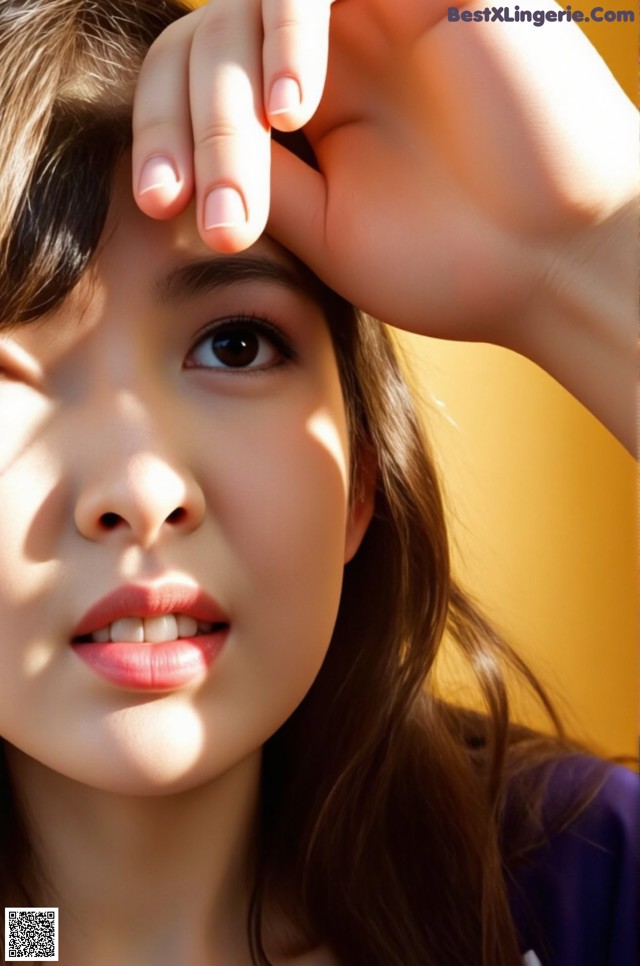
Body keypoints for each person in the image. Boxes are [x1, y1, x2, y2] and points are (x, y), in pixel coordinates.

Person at [0, 1, 635, 964]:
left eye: (235, 344)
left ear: (362, 481)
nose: (140, 488)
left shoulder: (575, 882)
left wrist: (588, 248)